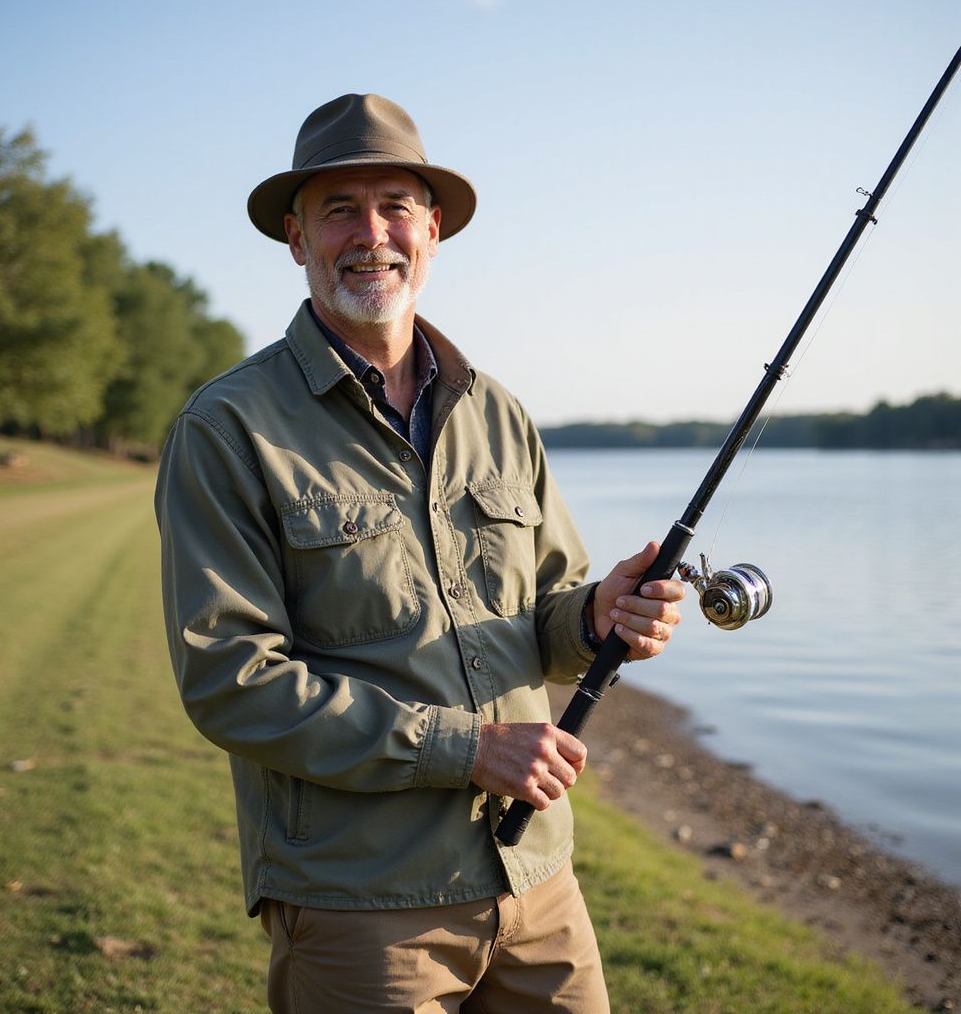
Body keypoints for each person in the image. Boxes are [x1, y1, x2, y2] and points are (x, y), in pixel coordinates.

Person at [155, 93, 686, 1014]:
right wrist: (463, 749)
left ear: (433, 230)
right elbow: (229, 678)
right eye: (338, 210)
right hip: (362, 908)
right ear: (295, 238)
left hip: (538, 882)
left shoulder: (500, 412)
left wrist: (599, 615)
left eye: (396, 205)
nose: (372, 234)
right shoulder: (227, 427)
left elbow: (545, 622)